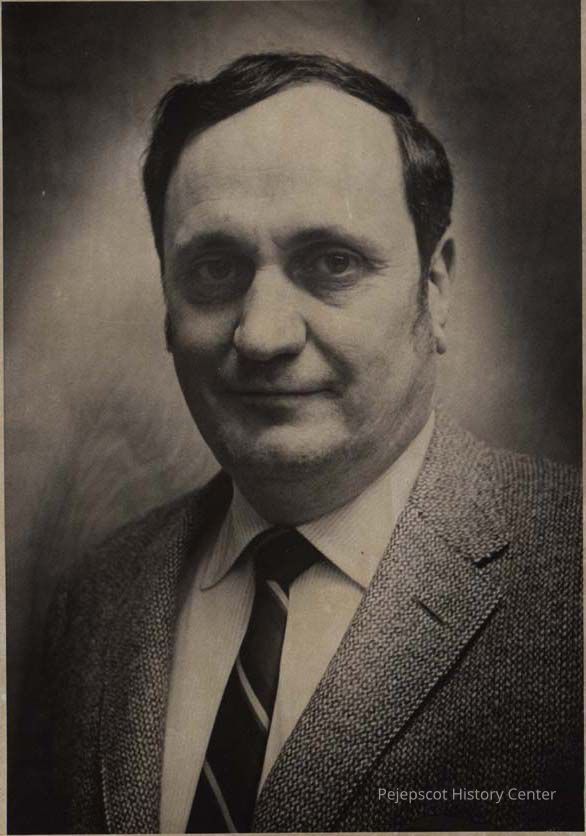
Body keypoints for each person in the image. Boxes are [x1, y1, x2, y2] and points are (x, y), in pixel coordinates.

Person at [17, 52, 582, 833]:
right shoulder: (93, 602)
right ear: (168, 306)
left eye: (332, 263)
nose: (262, 334)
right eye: (215, 268)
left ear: (436, 287)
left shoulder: (570, 570)